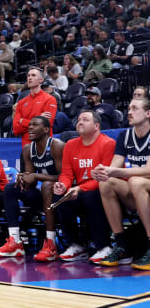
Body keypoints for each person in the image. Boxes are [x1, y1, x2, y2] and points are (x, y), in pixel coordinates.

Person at [0, 116, 64, 261]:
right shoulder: (27, 149)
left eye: (35, 125)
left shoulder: (57, 145)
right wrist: (24, 178)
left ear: (46, 129)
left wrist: (36, 176)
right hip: (43, 197)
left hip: (61, 196)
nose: (30, 127)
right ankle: (15, 241)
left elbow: (65, 177)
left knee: (47, 186)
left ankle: (50, 244)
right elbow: (30, 178)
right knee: (11, 187)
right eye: (29, 125)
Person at [92, 97, 150, 267]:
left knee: (136, 181)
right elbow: (114, 166)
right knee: (106, 183)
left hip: (143, 185)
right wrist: (103, 172)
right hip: (137, 192)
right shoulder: (125, 136)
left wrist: (115, 171)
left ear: (148, 113)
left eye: (134, 108)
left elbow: (148, 170)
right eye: (129, 108)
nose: (129, 112)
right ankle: (121, 244)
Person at [53, 110, 114, 264]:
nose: (80, 122)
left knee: (91, 196)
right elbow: (66, 174)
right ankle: (77, 245)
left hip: (103, 190)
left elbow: (105, 177)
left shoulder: (108, 144)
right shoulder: (70, 145)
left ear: (96, 125)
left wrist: (79, 189)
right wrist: (63, 185)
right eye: (79, 119)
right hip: (80, 191)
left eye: (85, 119)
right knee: (61, 197)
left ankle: (104, 246)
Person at [13, 67, 57, 147]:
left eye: (33, 75)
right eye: (28, 75)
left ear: (41, 80)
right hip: (26, 149)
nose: (30, 78)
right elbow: (16, 129)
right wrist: (39, 118)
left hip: (43, 147)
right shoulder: (21, 103)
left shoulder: (50, 99)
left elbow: (45, 125)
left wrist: (23, 121)